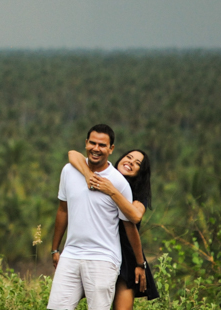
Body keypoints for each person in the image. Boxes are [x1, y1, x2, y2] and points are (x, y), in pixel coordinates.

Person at [47, 124, 145, 310]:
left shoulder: (118, 183)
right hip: (71, 254)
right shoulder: (69, 171)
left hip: (103, 258)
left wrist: (140, 263)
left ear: (111, 149)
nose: (96, 149)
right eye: (92, 143)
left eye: (102, 145)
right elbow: (63, 211)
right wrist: (55, 249)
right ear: (86, 143)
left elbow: (130, 226)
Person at [68, 147, 160, 309]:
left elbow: (135, 216)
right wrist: (88, 174)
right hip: (98, 250)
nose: (131, 162)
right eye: (129, 157)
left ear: (141, 172)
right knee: (68, 298)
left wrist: (112, 191)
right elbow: (73, 154)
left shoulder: (137, 195)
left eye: (137, 163)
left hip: (127, 256)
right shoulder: (102, 178)